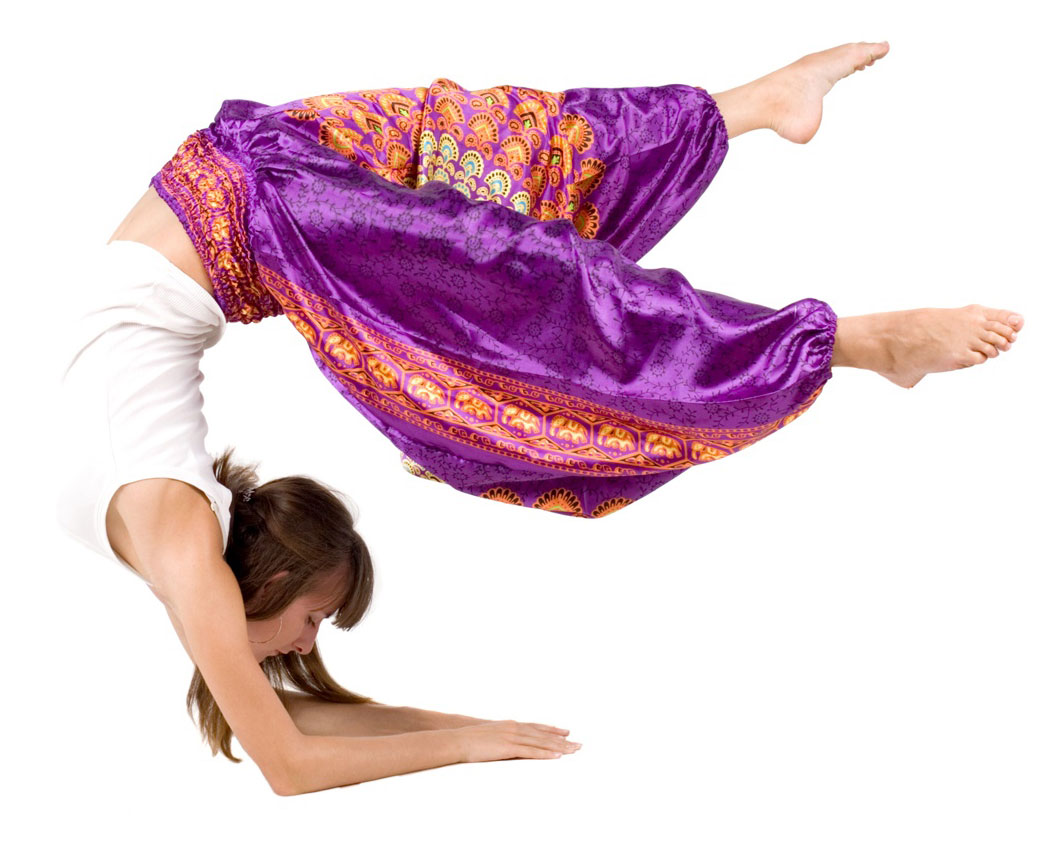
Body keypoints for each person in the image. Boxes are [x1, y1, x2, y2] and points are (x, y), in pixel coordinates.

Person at [56, 40, 1022, 796]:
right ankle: (750, 105)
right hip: (229, 178)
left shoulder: (183, 541)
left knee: (529, 316)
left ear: (266, 577)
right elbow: (299, 726)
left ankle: (854, 342)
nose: (307, 644)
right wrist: (468, 725)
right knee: (497, 177)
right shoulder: (175, 546)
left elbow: (290, 765)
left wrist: (464, 747)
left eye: (313, 618)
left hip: (256, 209)